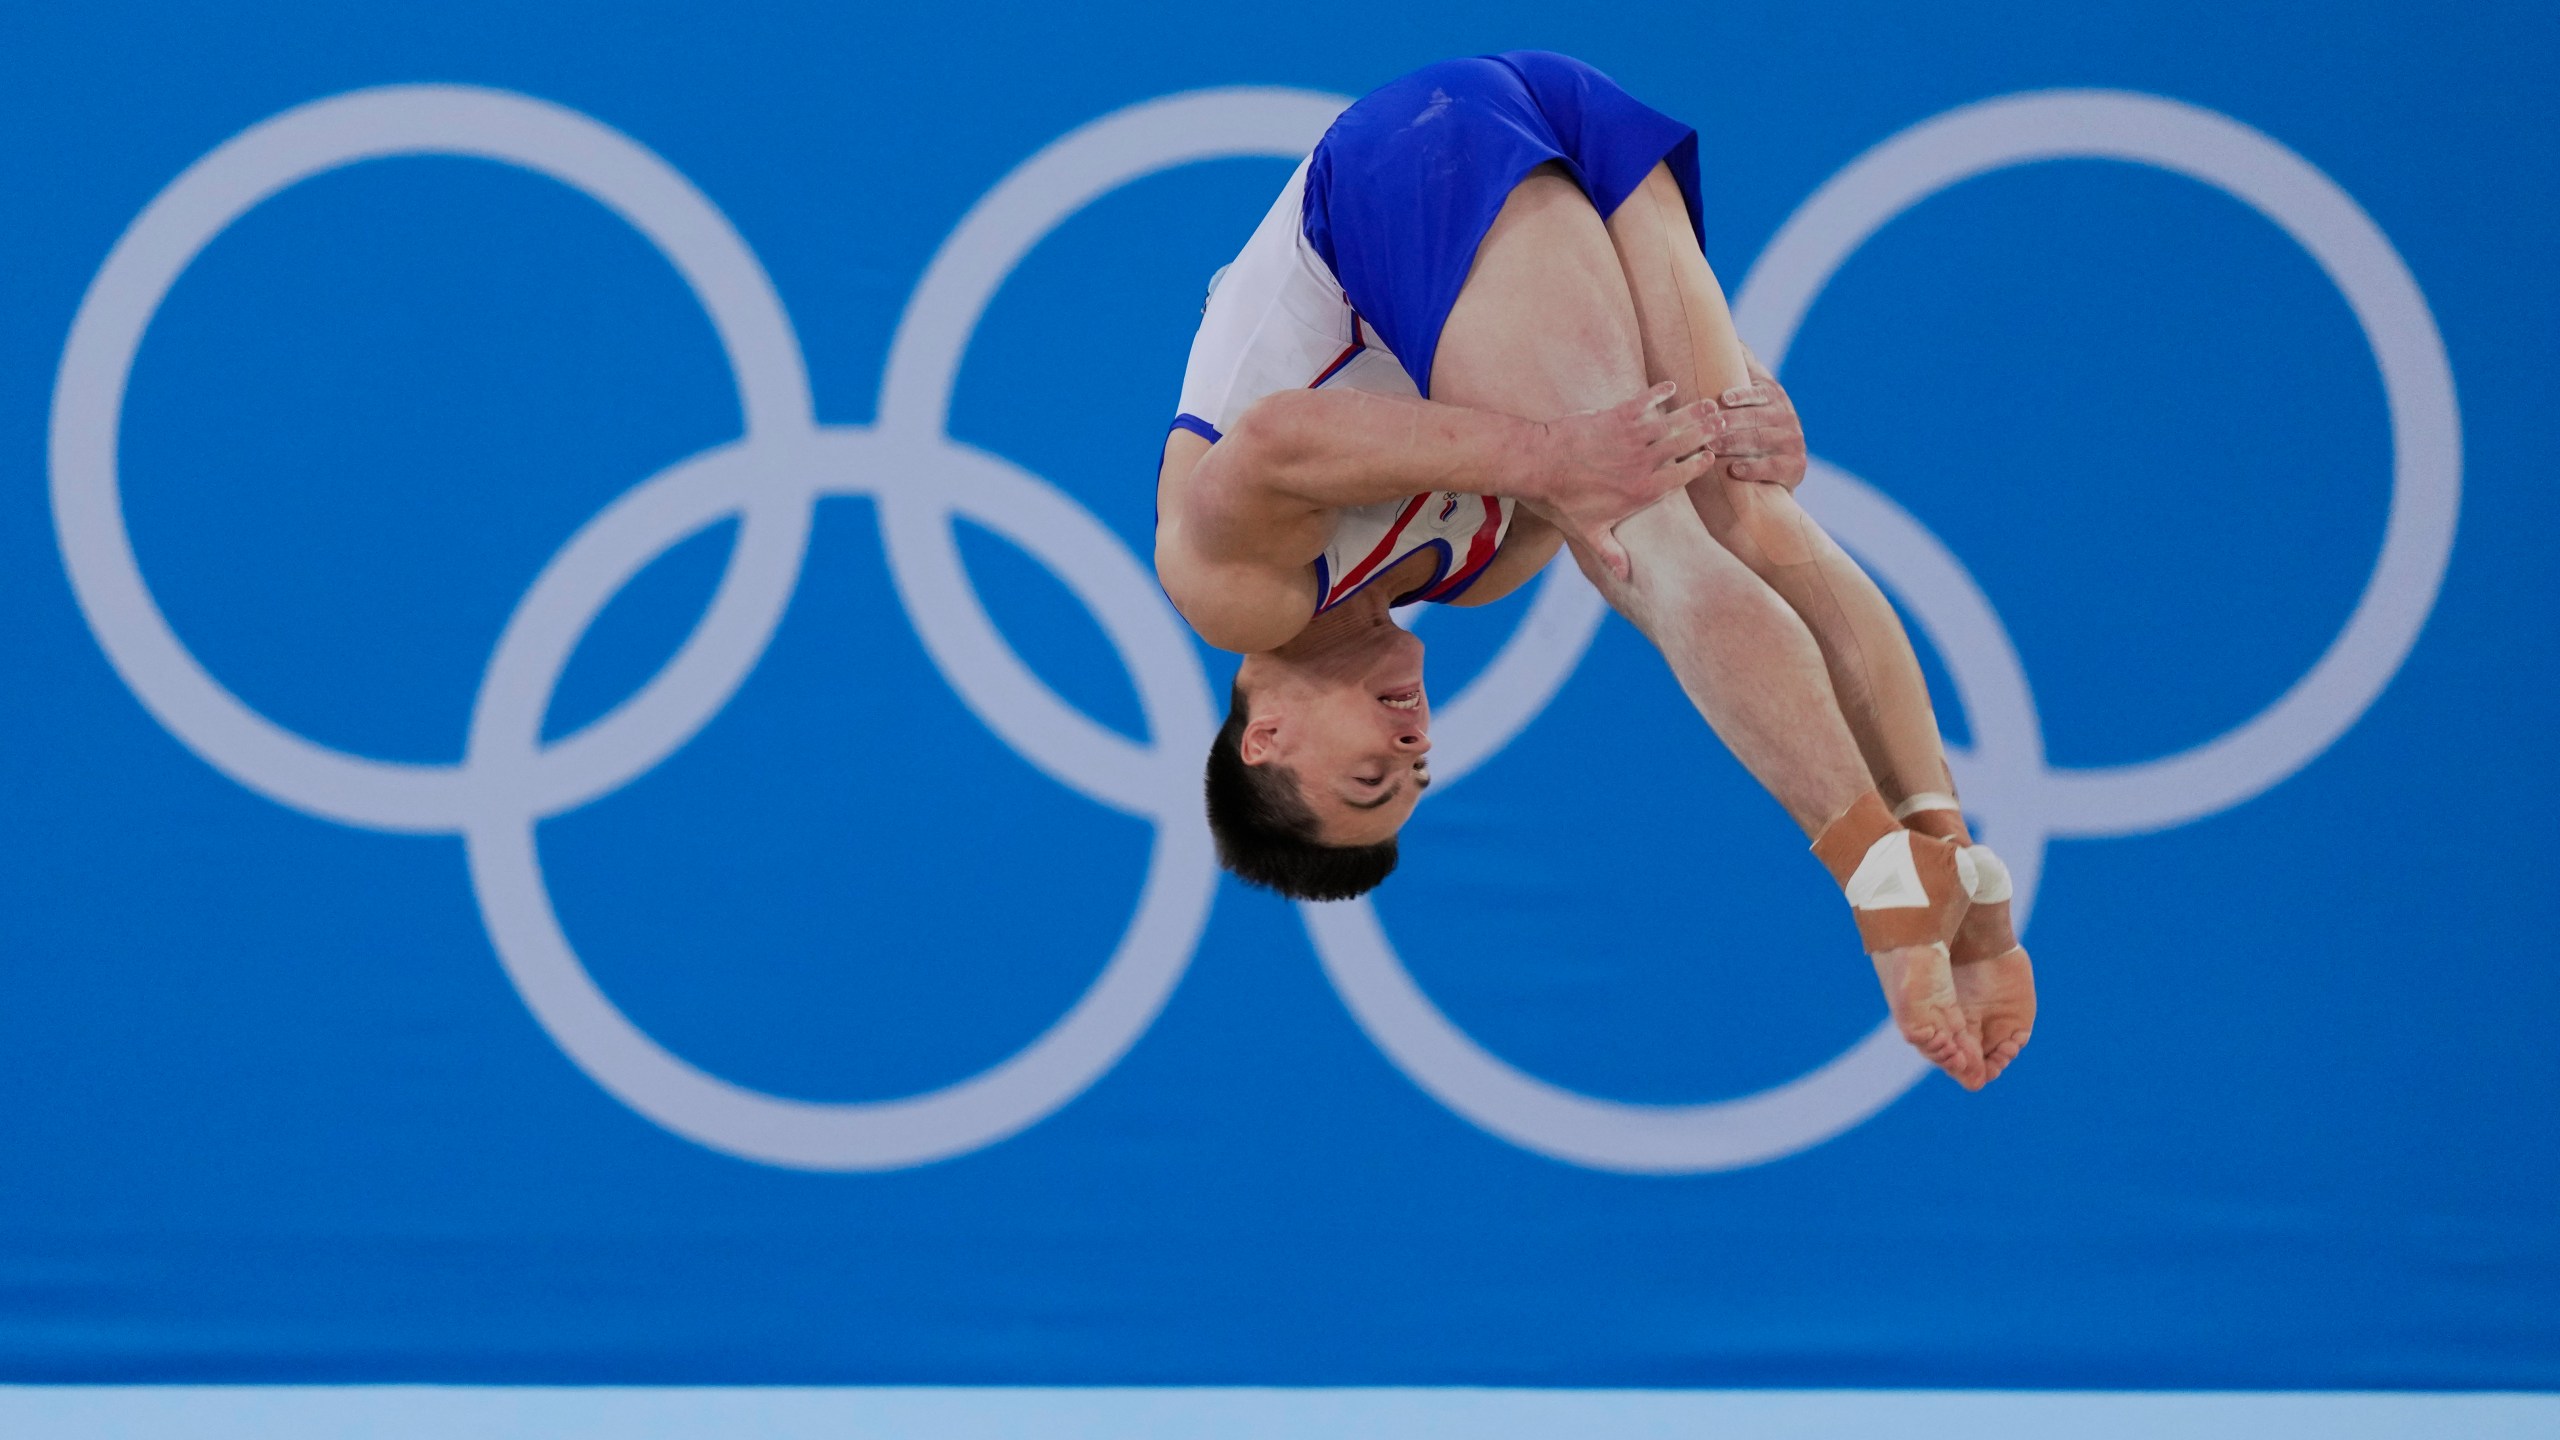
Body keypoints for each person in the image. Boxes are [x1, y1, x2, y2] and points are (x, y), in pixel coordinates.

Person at [1155, 52, 2033, 1088]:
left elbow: (1271, 441)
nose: (1412, 741)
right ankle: (1953, 859)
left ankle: (1876, 886)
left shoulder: (1234, 598)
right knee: (1737, 510)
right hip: (1549, 105)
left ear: (1265, 738)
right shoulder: (1474, 570)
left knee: (1644, 544)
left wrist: (1543, 460)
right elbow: (1633, 422)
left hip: (1402, 162)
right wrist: (1744, 406)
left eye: (1370, 773)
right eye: (1416, 773)